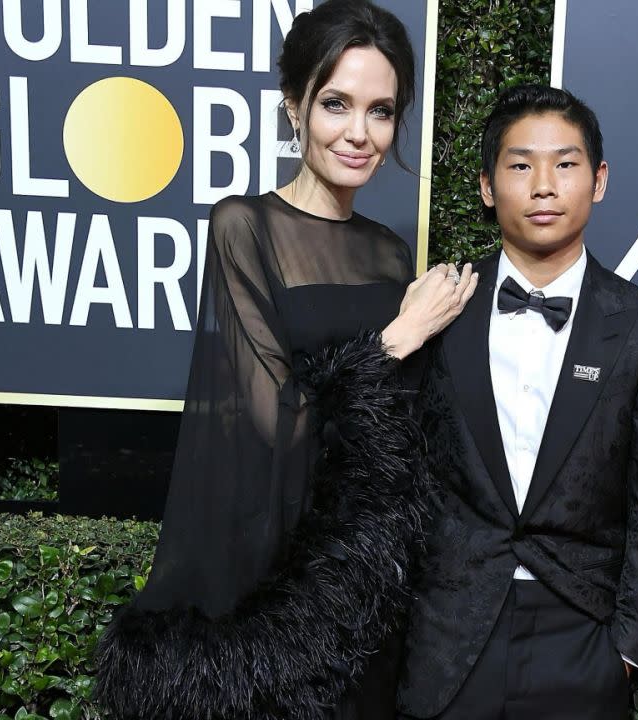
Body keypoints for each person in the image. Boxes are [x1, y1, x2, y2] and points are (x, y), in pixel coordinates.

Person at [93, 2, 477, 719]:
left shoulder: (389, 253)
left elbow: (397, 437)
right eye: (336, 103)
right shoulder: (244, 226)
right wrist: (398, 339)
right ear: (294, 108)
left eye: (381, 110)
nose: (360, 133)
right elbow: (276, 420)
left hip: (365, 585)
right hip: (271, 585)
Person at [397, 84, 638, 720]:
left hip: (582, 636)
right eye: (520, 164)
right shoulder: (437, 308)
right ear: (486, 185)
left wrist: (630, 649)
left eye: (565, 164)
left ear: (599, 180)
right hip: (448, 634)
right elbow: (392, 469)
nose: (543, 185)